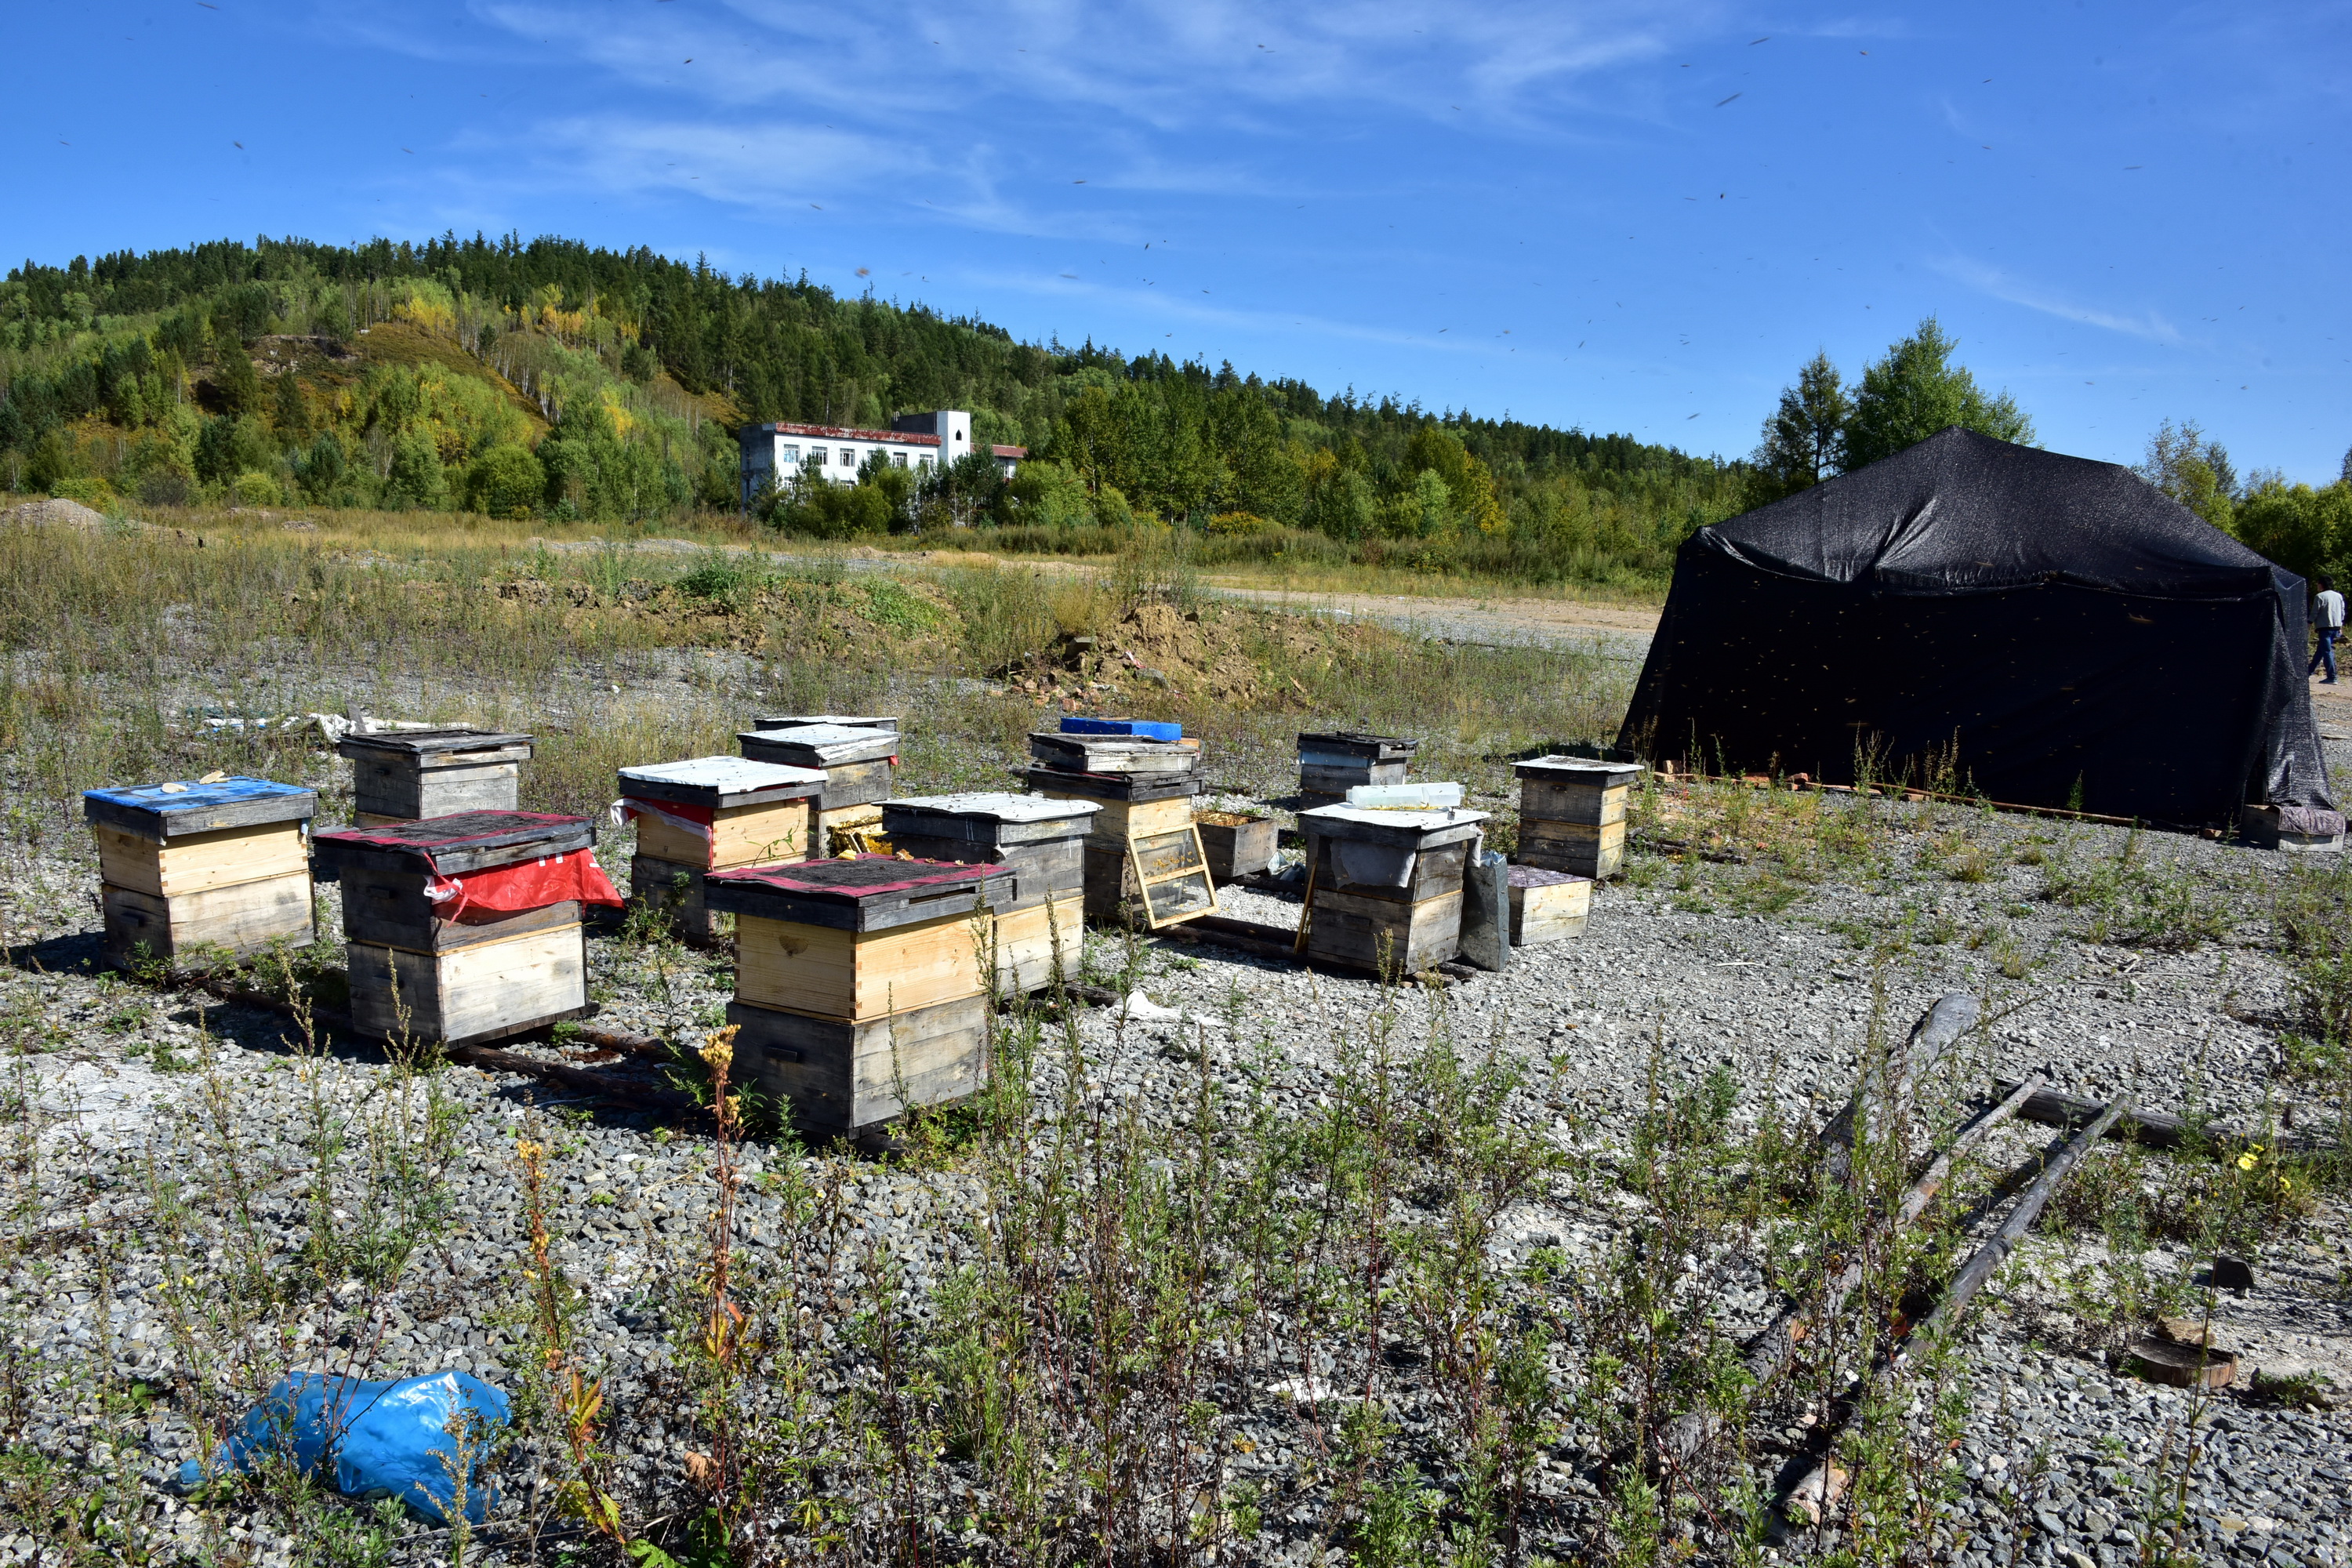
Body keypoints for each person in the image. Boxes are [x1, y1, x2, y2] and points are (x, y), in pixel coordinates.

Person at [2313, 575, 2346, 684]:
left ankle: (2332, 677)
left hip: (2325, 628)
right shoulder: (2338, 596)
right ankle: (2308, 671)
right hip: (2336, 627)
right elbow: (2342, 611)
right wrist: (2341, 625)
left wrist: (2309, 623)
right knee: (2321, 651)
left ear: (2321, 584)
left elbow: (2315, 612)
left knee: (2327, 652)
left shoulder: (2320, 596)